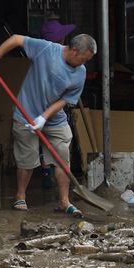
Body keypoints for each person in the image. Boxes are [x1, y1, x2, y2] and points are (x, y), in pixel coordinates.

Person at [0, 33, 97, 218]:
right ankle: (20, 196)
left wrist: (44, 117)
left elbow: (66, 100)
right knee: (27, 158)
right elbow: (15, 39)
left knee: (61, 156)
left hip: (53, 117)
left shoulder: (80, 73)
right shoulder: (46, 49)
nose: (84, 63)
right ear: (74, 50)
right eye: (83, 59)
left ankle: (64, 201)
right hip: (25, 112)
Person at [37, 19, 76, 189]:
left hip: (40, 105)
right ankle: (54, 179)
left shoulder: (42, 55)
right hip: (50, 105)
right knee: (61, 140)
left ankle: (48, 175)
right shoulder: (54, 57)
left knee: (47, 141)